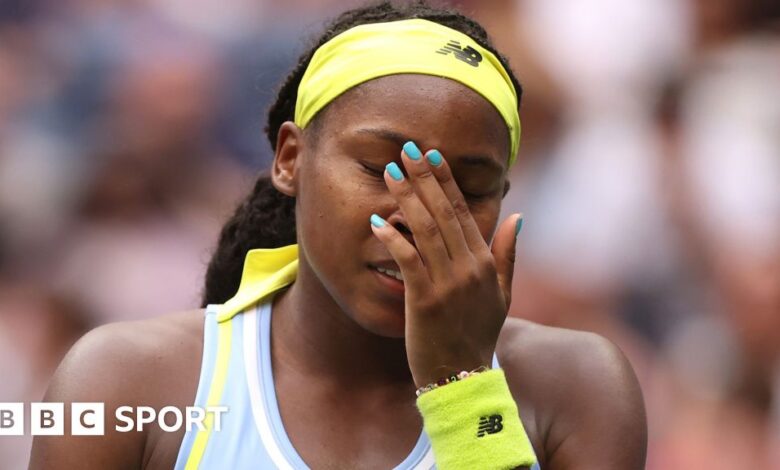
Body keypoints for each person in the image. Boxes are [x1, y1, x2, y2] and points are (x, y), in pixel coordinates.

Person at [29, 2, 647, 469]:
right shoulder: (122, 383)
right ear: (290, 159)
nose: (419, 214)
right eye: (381, 170)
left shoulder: (580, 387)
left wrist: (466, 390)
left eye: (470, 186)